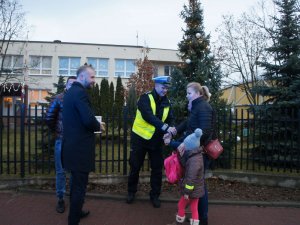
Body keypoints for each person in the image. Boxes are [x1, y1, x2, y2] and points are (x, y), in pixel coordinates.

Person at [165, 83, 214, 225]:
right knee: (196, 185)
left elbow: (204, 132)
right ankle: (196, 219)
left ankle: (202, 220)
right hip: (195, 153)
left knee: (199, 187)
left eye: (189, 93)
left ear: (198, 93)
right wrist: (175, 131)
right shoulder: (197, 106)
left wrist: (182, 144)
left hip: (199, 154)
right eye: (186, 93)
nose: (186, 96)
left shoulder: (203, 107)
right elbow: (189, 124)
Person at [62, 65, 105, 225]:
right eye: (92, 77)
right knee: (79, 187)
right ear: (81, 77)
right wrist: (98, 126)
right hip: (79, 150)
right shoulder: (80, 93)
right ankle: (73, 220)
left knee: (75, 184)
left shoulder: (70, 93)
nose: (94, 81)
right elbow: (88, 119)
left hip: (71, 148)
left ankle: (77, 211)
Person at [126, 75, 176, 208]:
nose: (165, 90)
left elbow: (170, 118)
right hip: (140, 139)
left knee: (157, 169)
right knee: (135, 166)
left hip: (156, 141)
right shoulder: (144, 98)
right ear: (156, 85)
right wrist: (165, 127)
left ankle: (155, 195)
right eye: (163, 87)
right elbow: (149, 117)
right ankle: (131, 192)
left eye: (167, 88)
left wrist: (169, 131)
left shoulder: (167, 102)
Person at [45, 76, 76, 213]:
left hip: (75, 141)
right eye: (71, 84)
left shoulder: (79, 100)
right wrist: (58, 131)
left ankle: (75, 198)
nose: (73, 87)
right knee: (61, 171)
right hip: (61, 140)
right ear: (66, 86)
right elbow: (49, 117)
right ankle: (61, 199)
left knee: (75, 170)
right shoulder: (58, 98)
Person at [167, 128, 204, 225]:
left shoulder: (193, 161)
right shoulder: (196, 156)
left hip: (191, 190)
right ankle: (195, 223)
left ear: (190, 148)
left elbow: (190, 179)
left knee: (181, 205)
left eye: (186, 146)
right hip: (197, 190)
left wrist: (187, 192)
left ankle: (178, 222)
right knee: (194, 208)